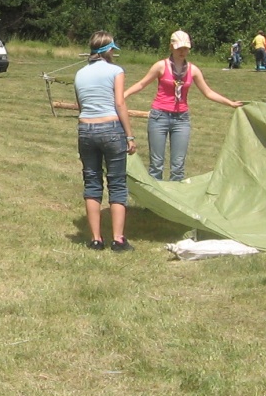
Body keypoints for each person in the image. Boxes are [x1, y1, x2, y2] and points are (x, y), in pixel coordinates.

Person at [123, 30, 242, 182]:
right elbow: (141, 84)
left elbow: (208, 92)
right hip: (159, 116)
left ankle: (174, 201)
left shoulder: (193, 70)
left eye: (185, 48)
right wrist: (124, 95)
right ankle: (154, 203)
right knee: (156, 164)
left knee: (178, 166)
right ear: (171, 47)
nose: (182, 52)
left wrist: (230, 103)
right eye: (179, 48)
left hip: (182, 119)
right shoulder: (161, 66)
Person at [74, 31, 136, 251]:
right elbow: (119, 103)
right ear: (109, 50)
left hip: (86, 129)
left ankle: (95, 239)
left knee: (92, 182)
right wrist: (129, 135)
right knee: (117, 182)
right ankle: (118, 239)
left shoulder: (79, 74)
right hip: (111, 128)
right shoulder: (116, 71)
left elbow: (81, 106)